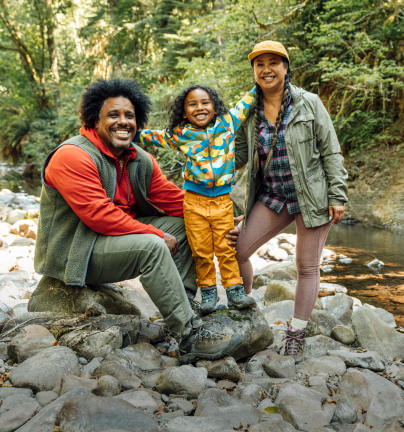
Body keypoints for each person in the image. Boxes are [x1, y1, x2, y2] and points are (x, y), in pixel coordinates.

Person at [34, 78, 242, 362]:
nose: (123, 122)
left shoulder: (139, 159)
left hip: (116, 244)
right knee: (152, 245)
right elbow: (99, 215)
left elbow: (178, 201)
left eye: (129, 116)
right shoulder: (72, 156)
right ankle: (191, 336)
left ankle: (184, 309)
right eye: (113, 115)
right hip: (77, 253)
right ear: (94, 119)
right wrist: (154, 235)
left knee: (190, 225)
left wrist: (226, 218)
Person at [233, 40, 348, 358]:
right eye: (259, 64)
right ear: (254, 71)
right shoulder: (247, 109)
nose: (266, 69)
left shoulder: (309, 103)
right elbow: (239, 156)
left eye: (273, 62)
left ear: (285, 67)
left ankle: (295, 332)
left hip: (311, 197)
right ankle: (243, 309)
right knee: (238, 250)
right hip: (271, 196)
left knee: (306, 266)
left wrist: (338, 195)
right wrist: (208, 176)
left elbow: (330, 150)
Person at [134, 84, 257, 315]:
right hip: (194, 202)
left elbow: (247, 101)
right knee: (200, 251)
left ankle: (234, 291)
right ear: (184, 111)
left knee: (225, 248)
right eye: (192, 104)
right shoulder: (181, 134)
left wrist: (261, 82)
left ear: (215, 106)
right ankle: (209, 293)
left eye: (205, 102)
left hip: (222, 201)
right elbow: (153, 136)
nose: (199, 108)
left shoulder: (228, 123)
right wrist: (130, 133)